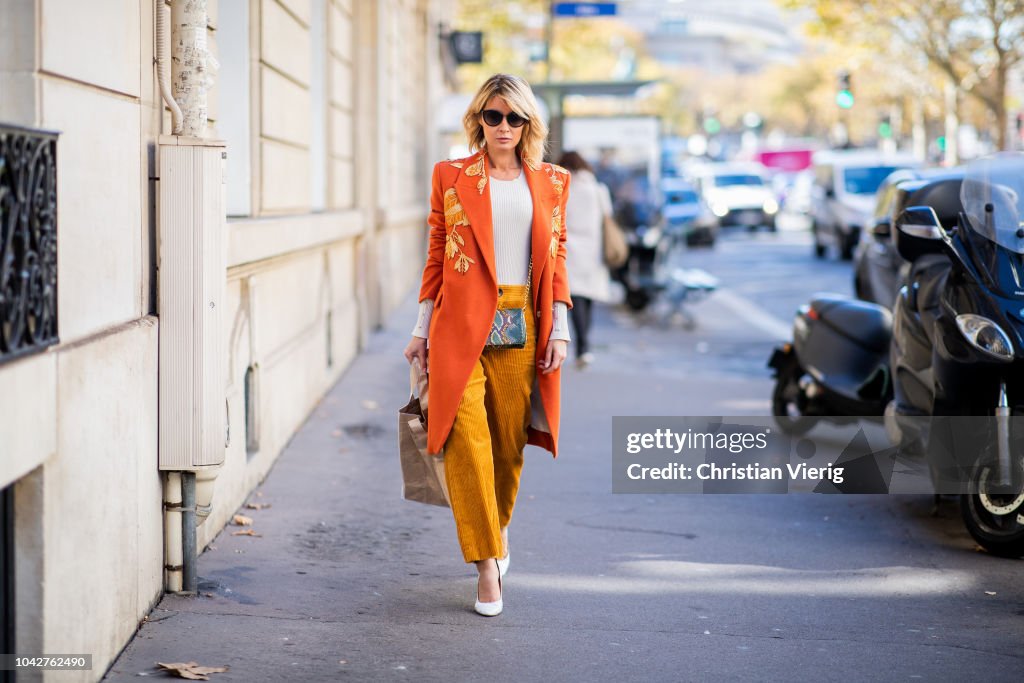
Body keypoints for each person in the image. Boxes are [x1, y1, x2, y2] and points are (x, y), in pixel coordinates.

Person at [402, 74, 572, 617]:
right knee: (466, 440)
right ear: (478, 119)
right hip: (459, 324)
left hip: (521, 320)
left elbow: (558, 256)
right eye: (493, 116)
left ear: (528, 125)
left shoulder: (552, 181)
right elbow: (435, 255)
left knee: (505, 445)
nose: (503, 126)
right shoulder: (451, 176)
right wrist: (420, 328)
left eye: (514, 117)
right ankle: (486, 567)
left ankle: (496, 531)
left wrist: (561, 327)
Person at [557, 151, 612, 368]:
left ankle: (582, 347)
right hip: (594, 248)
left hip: (570, 247)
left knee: (575, 297)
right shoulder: (598, 189)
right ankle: (584, 345)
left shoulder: (563, 187)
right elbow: (607, 217)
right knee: (587, 298)